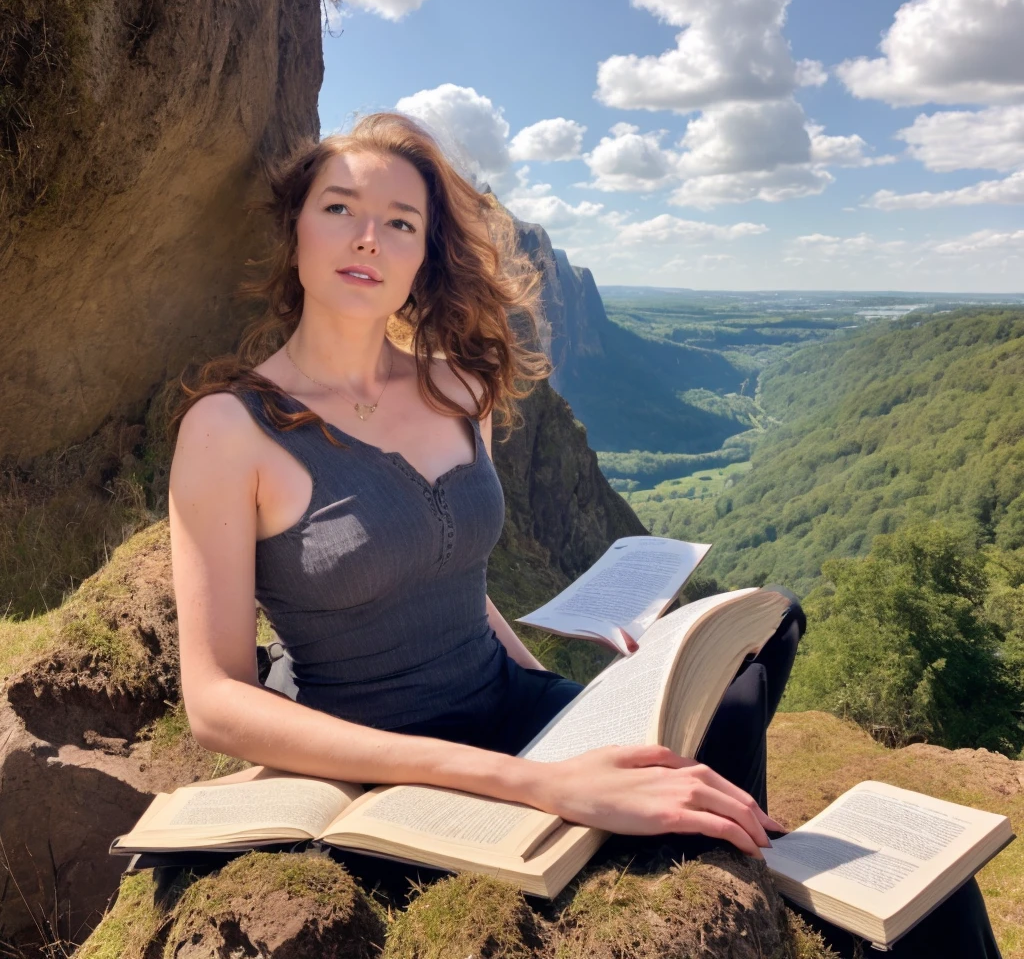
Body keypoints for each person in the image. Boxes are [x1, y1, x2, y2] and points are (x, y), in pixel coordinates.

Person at [168, 112, 1001, 957]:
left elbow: (447, 576)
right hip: (386, 768)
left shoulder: (458, 391)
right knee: (702, 851)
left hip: (519, 714)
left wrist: (588, 705)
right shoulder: (232, 431)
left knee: (918, 876)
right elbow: (216, 702)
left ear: (424, 256)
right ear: (295, 228)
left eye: (401, 222)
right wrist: (541, 783)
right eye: (340, 208)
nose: (368, 239)